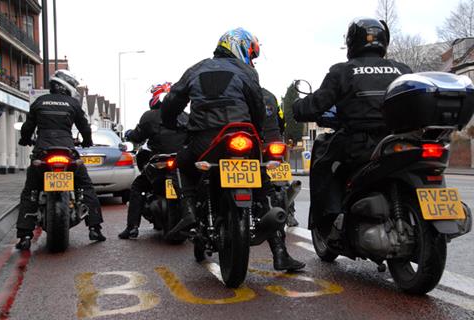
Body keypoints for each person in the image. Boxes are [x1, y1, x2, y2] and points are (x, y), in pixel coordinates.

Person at [162, 28, 304, 271]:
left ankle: (189, 213)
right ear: (239, 46)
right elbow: (258, 107)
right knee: (264, 187)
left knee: (180, 166)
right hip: (242, 137)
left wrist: (170, 122)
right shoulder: (247, 72)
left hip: (204, 141)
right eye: (251, 53)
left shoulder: (196, 69)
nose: (252, 59)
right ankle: (280, 254)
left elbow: (172, 102)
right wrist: (257, 132)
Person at [293, 18, 412, 243]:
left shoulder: (343, 71)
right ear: (384, 41)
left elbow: (317, 104)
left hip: (360, 143)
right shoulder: (402, 69)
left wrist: (298, 107)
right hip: (401, 140)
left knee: (323, 160)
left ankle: (328, 219)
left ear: (352, 41)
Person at [16, 69, 106, 250]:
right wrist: (87, 141)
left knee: (31, 190)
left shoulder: (39, 102)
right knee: (85, 186)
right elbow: (84, 127)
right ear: (66, 86)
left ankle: (25, 236)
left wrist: (25, 139)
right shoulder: (73, 103)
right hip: (67, 151)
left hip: (43, 152)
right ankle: (95, 228)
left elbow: (27, 127)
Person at [118, 82, 188, 239]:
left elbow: (137, 136)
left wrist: (129, 135)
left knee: (137, 187)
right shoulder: (185, 116)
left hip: (159, 162)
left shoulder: (149, 116)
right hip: (180, 162)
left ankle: (132, 228)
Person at [262, 88, 299, 227]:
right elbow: (281, 119)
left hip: (251, 141)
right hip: (272, 139)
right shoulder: (270, 95)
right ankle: (290, 214)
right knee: (280, 177)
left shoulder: (239, 94)